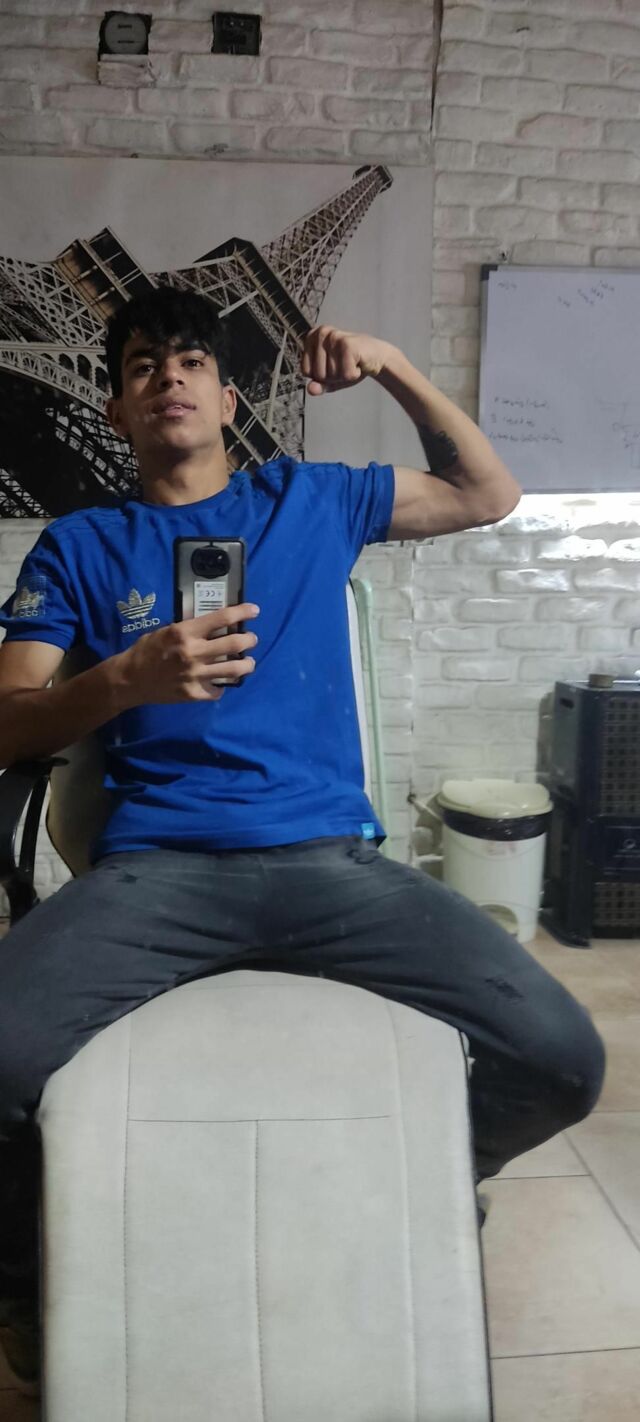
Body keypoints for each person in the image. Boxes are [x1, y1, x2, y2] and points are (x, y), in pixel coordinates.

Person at [0, 288, 604, 1392]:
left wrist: (393, 366)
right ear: (116, 406)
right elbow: (7, 722)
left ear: (230, 399)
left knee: (562, 1057)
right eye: (142, 365)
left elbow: (489, 493)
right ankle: (27, 1283)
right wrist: (123, 680)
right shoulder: (81, 545)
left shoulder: (309, 500)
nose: (169, 377)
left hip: (330, 863)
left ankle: (432, 1181)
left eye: (192, 360)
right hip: (156, 870)